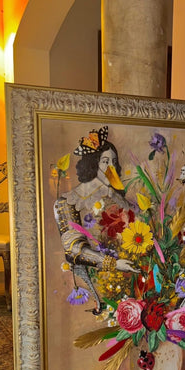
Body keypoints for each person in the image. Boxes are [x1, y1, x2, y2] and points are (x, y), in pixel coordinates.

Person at [54, 126, 137, 311]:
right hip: (98, 279)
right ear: (93, 164)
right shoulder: (66, 202)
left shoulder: (116, 197)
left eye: (114, 162)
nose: (111, 167)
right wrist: (114, 264)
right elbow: (74, 250)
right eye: (105, 161)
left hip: (130, 271)